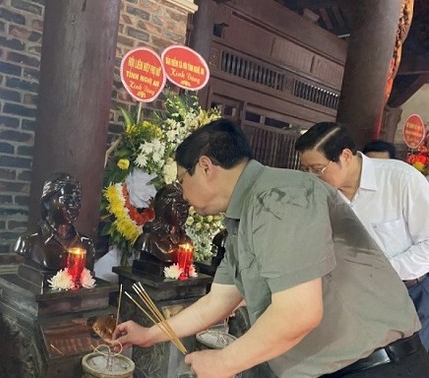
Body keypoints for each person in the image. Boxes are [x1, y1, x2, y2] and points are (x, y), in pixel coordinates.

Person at [113, 119, 428, 378]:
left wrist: (226, 361)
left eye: (183, 179)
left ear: (206, 167)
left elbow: (299, 313)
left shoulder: (279, 197)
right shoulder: (244, 214)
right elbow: (219, 300)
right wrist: (149, 334)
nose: (182, 194)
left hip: (377, 367)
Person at [296, 122, 429, 351]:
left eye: (318, 168)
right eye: (305, 170)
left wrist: (379, 273)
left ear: (346, 156)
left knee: (409, 365)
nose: (312, 177)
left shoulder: (400, 180)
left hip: (409, 294)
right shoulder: (320, 196)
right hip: (354, 300)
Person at [13, 172, 95, 271]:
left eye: (77, 200)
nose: (74, 206)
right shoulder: (28, 241)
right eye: (67, 199)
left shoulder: (86, 243)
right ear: (47, 202)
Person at [134, 184, 191, 263]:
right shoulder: (148, 240)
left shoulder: (186, 241)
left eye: (186, 207)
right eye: (178, 206)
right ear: (163, 208)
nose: (184, 211)